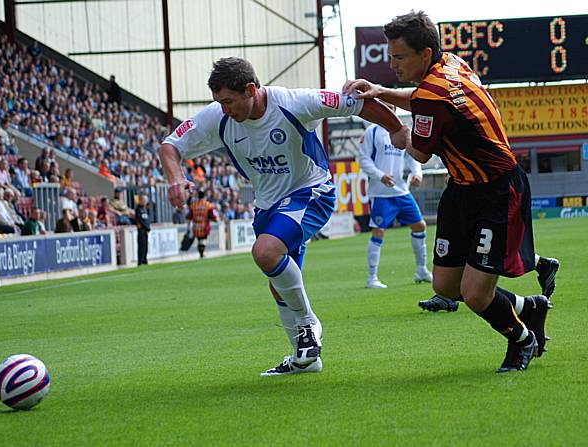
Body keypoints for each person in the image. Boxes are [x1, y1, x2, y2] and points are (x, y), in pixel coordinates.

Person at [161, 56, 407, 376]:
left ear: (251, 89)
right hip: (267, 204)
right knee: (278, 281)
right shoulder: (218, 117)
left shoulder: (296, 103)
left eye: (229, 101)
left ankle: (308, 323)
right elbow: (170, 146)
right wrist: (176, 179)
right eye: (219, 102)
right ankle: (305, 359)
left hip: (311, 191)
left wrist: (397, 128)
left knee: (265, 252)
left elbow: (358, 104)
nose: (224, 110)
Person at [343, 11, 558, 373]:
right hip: (461, 190)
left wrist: (395, 129)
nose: (392, 64)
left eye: (399, 57)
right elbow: (425, 98)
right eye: (390, 56)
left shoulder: (431, 96)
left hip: (496, 190)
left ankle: (522, 340)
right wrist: (381, 92)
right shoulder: (451, 64)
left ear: (424, 54)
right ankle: (529, 307)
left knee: (475, 294)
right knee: (447, 286)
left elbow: (420, 151)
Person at [358, 118, 432, 289]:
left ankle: (421, 270)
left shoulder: (403, 131)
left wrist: (417, 172)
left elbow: (412, 155)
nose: (390, 110)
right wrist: (380, 176)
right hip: (380, 193)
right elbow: (364, 159)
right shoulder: (372, 131)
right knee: (378, 232)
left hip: (401, 190)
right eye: (387, 106)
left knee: (419, 226)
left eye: (392, 107)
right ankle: (372, 278)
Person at [187, 190, 217, 259]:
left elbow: (189, 217)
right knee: (203, 240)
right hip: (204, 226)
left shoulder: (194, 205)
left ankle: (201, 254)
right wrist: (215, 219)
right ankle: (201, 254)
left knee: (199, 240)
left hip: (196, 227)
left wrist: (188, 227)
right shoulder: (208, 205)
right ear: (204, 196)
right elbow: (213, 215)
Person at [135, 193, 151, 265]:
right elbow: (140, 220)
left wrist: (148, 227)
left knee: (145, 246)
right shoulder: (138, 209)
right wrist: (146, 227)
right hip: (141, 230)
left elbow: (146, 219)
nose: (145, 202)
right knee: (141, 246)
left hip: (145, 230)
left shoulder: (145, 209)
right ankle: (140, 261)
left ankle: (145, 259)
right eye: (144, 200)